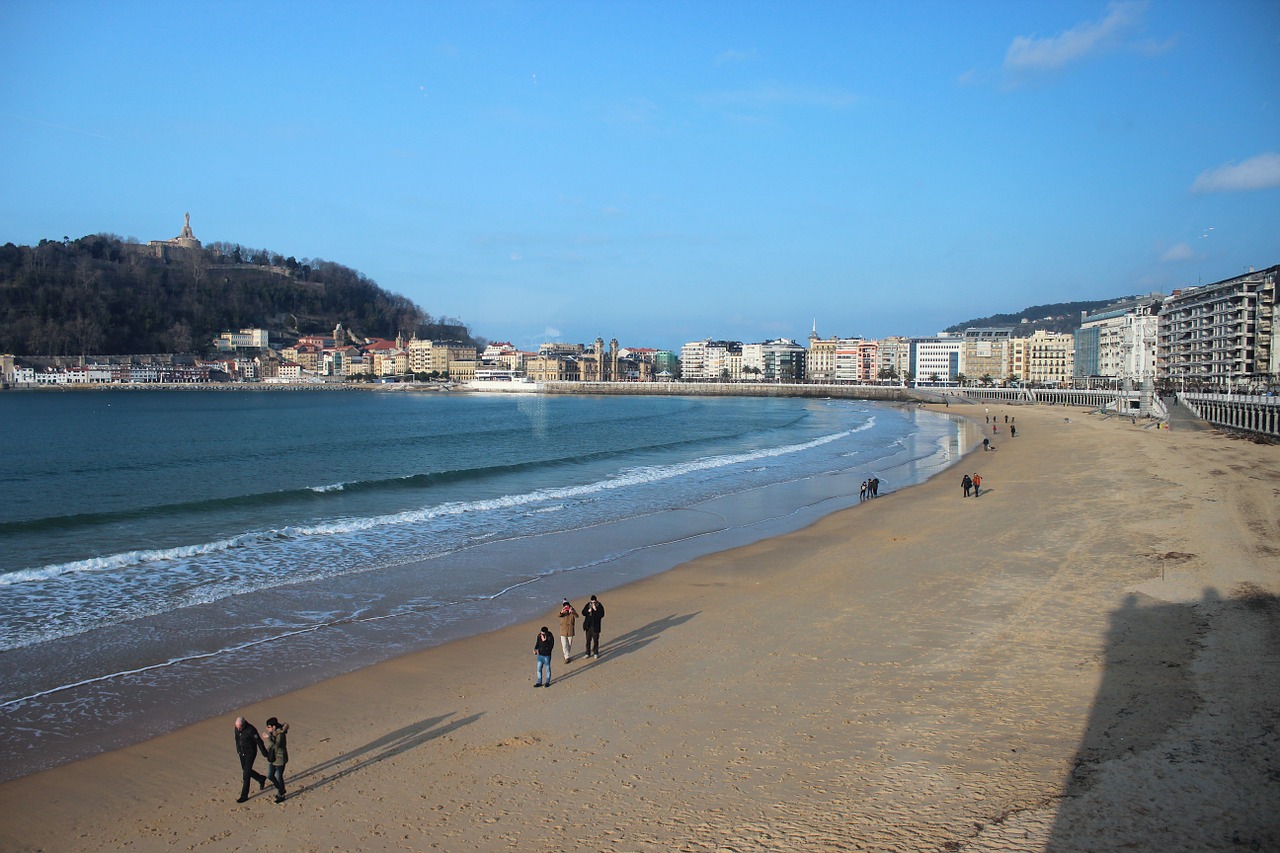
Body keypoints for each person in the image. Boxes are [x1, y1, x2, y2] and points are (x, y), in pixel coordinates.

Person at [233, 716, 268, 803]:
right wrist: (238, 749)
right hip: (241, 753)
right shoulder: (237, 728)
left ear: (244, 724)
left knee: (246, 775)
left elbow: (259, 741)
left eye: (240, 727)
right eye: (237, 727)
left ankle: (244, 795)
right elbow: (237, 739)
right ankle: (260, 778)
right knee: (245, 770)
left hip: (250, 753)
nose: (238, 728)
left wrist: (265, 753)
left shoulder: (251, 730)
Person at [263, 717, 289, 803]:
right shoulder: (274, 733)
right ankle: (281, 789)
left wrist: (268, 738)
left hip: (280, 758)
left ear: (273, 727)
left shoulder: (280, 735)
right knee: (270, 775)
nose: (267, 728)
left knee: (279, 777)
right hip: (273, 758)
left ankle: (281, 794)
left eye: (269, 727)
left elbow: (275, 746)